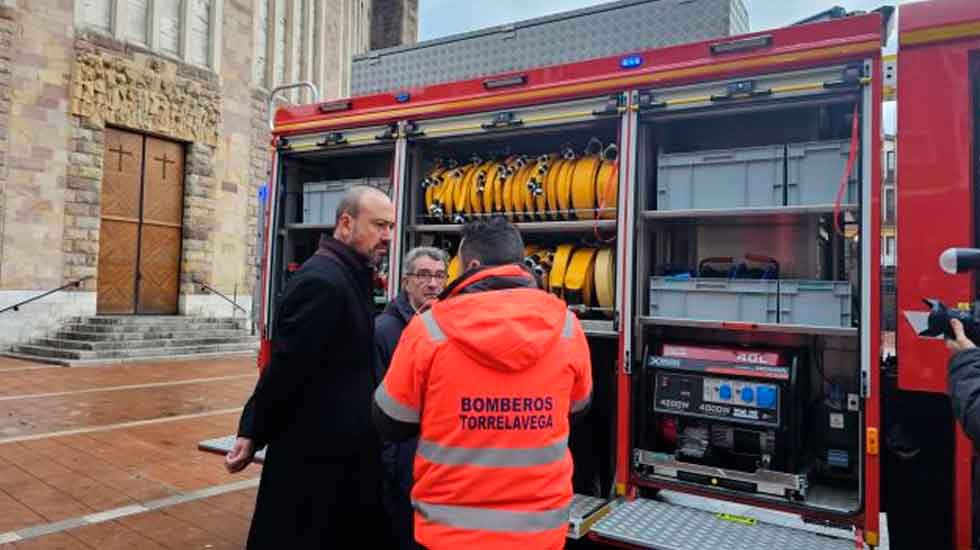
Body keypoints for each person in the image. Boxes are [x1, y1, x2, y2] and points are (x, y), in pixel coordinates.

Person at [372, 216, 593, 550]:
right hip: (538, 534)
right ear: (519, 263)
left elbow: (390, 421)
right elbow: (577, 409)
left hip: (448, 535)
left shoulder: (429, 328)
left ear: (472, 264)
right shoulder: (567, 327)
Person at [226, 185, 395, 549]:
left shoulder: (352, 273)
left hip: (340, 459)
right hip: (316, 462)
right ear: (346, 223)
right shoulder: (323, 281)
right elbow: (286, 370)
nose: (388, 236)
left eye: (392, 227)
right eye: (380, 225)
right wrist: (253, 431)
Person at [375, 246, 449, 550]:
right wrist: (391, 464)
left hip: (436, 464)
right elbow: (378, 403)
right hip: (402, 464)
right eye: (423, 275)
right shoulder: (385, 329)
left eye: (439, 276)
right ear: (405, 281)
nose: (432, 284)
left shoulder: (446, 326)